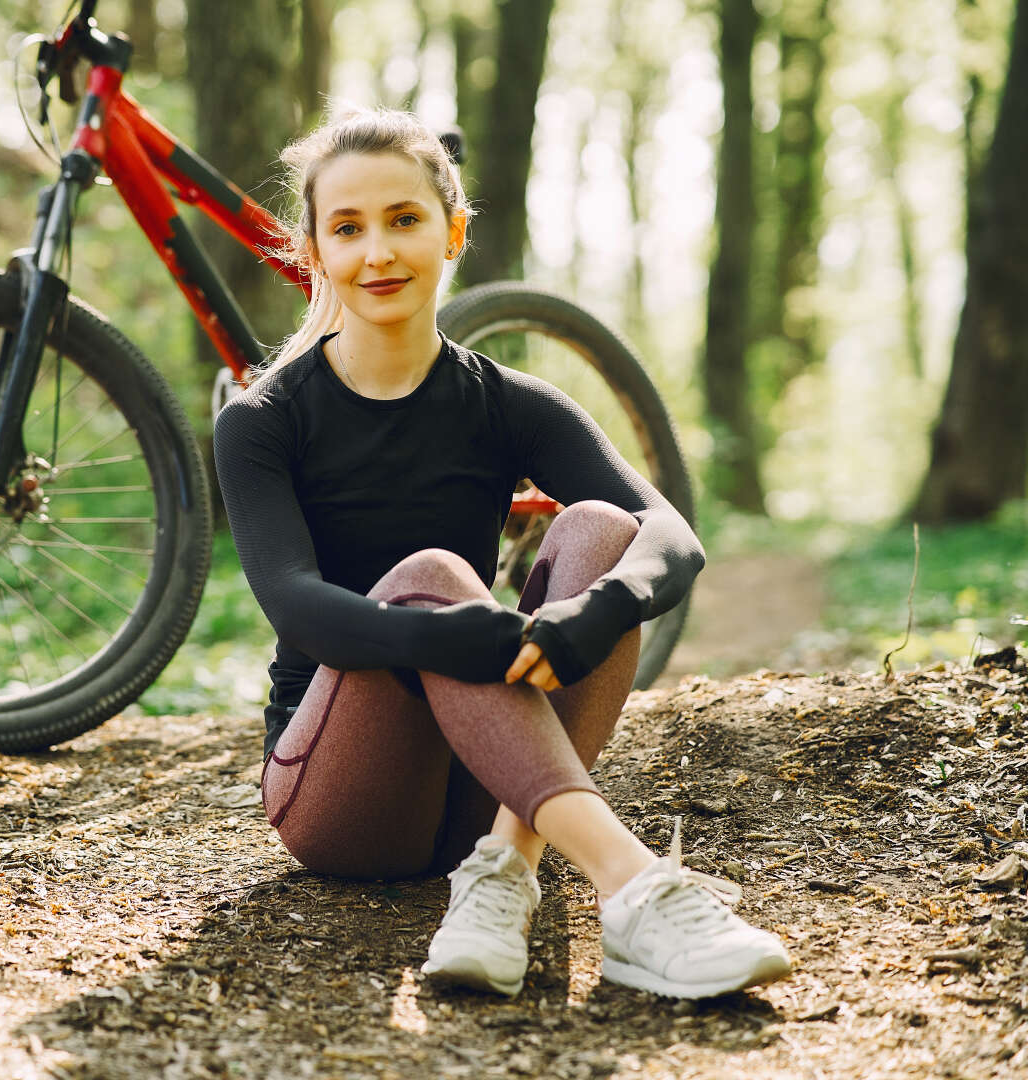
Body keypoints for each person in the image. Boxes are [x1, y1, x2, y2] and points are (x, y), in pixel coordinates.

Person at [212, 106, 790, 1000]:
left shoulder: (509, 402)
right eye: (349, 229)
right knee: (434, 577)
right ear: (315, 251)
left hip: (482, 795)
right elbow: (295, 603)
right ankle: (635, 888)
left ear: (453, 231)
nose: (379, 254)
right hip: (342, 801)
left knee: (602, 526)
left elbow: (671, 536)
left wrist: (590, 614)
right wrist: (441, 629)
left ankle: (504, 875)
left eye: (404, 220)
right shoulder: (264, 419)